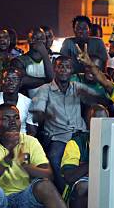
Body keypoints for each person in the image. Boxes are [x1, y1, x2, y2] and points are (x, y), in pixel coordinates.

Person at [30, 55, 102, 192]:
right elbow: (36, 116)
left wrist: (89, 96)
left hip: (81, 135)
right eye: (60, 66)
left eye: (67, 67)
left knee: (96, 158)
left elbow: (101, 100)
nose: (63, 70)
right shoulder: (45, 89)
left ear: (72, 71)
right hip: (59, 137)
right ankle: (65, 194)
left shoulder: (77, 87)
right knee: (54, 158)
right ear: (54, 68)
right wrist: (45, 114)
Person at [61, 104, 109, 208]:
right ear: (87, 122)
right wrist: (94, 159)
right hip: (78, 193)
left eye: (104, 120)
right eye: (95, 120)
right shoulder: (76, 143)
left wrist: (83, 166)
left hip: (106, 187)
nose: (100, 124)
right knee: (84, 186)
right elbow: (69, 176)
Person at [0, 67, 37, 136]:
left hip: (23, 141)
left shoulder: (29, 103)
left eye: (15, 79)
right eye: (7, 79)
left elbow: (32, 132)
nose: (11, 82)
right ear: (1, 82)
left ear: (20, 82)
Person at [14, 27, 54, 98]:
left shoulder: (52, 59)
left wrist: (44, 54)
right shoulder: (19, 61)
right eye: (35, 38)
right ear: (28, 40)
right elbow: (23, 81)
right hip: (28, 103)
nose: (39, 41)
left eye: (42, 38)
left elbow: (52, 77)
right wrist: (47, 81)